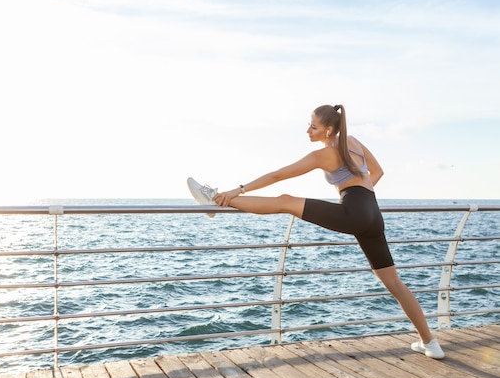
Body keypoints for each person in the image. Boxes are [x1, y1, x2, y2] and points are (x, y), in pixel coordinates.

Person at [187, 104, 445, 359]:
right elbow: (377, 172)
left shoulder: (325, 154)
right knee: (394, 283)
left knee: (285, 200)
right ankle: (430, 343)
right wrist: (356, 194)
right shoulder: (353, 142)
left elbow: (279, 175)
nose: (308, 131)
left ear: (329, 130)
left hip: (354, 212)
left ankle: (218, 199)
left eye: (313, 126)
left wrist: (238, 189)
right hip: (372, 214)